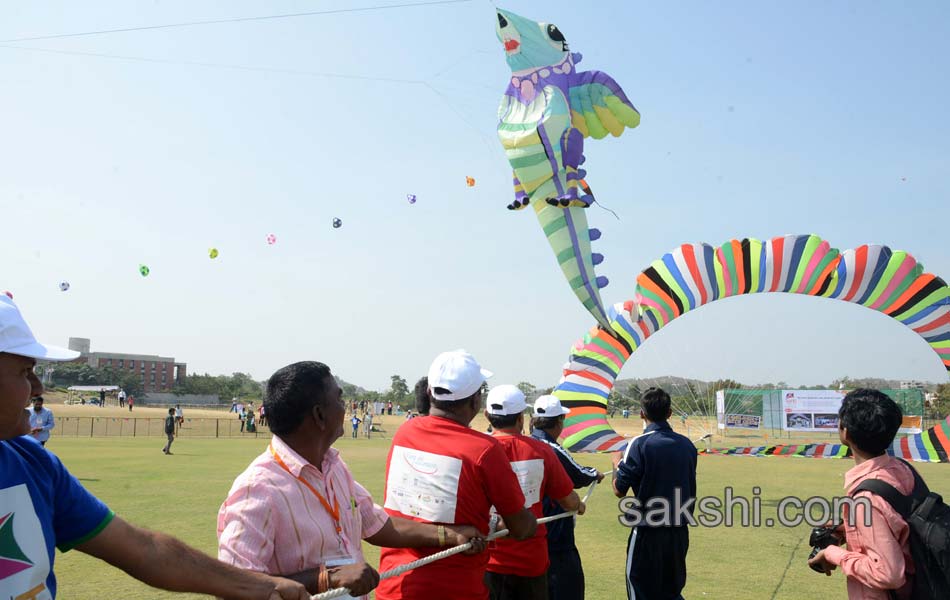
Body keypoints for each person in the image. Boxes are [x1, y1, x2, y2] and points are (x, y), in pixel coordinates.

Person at [0, 295, 308, 599]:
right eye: (25, 372)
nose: (38, 388)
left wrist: (261, 585)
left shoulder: (32, 463)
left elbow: (145, 551)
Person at [217, 361, 485, 598]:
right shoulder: (258, 490)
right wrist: (325, 578)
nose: (345, 407)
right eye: (340, 399)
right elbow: (235, 587)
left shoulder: (334, 467)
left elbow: (378, 524)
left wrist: (450, 535)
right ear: (320, 415)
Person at [376, 350, 537, 600]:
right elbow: (521, 527)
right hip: (456, 589)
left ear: (430, 393)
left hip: (396, 587)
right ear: (475, 401)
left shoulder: (405, 433)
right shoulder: (484, 449)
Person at [807, 389, 915, 598]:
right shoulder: (903, 470)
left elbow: (889, 574)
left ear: (845, 432)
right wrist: (848, 529)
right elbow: (902, 529)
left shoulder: (867, 498)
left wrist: (833, 553)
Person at [484, 386, 581, 600]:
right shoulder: (542, 450)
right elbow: (569, 500)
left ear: (487, 416)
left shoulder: (476, 448)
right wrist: (579, 505)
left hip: (486, 561)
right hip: (530, 561)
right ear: (521, 418)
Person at [612, 387, 697, 600]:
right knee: (671, 591)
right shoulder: (687, 445)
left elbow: (618, 490)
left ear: (642, 413)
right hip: (679, 531)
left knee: (640, 589)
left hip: (648, 532)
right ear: (670, 413)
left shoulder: (639, 444)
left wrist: (616, 463)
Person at [530, 394, 605, 600]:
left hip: (530, 530)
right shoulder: (549, 446)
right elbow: (578, 475)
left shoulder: (528, 441)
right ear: (559, 422)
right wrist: (594, 473)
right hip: (555, 532)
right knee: (566, 587)